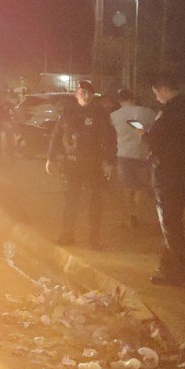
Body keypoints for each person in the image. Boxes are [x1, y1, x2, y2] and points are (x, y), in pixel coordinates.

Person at [143, 75, 185, 286]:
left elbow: (156, 138)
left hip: (168, 176)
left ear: (163, 89)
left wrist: (144, 135)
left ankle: (177, 274)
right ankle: (168, 268)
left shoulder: (170, 112)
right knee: (174, 222)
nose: (157, 98)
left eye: (156, 93)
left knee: (171, 225)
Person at [46, 80, 117, 248]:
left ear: (92, 95)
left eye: (87, 93)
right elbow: (57, 134)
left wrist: (109, 162)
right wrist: (51, 157)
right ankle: (67, 236)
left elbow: (109, 139)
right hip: (72, 164)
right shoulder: (68, 111)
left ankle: (94, 240)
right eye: (81, 92)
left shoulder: (99, 113)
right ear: (76, 94)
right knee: (71, 202)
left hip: (93, 164)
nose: (84, 96)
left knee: (95, 203)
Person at [110, 89, 156, 230]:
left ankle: (128, 217)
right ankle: (136, 214)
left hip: (123, 155)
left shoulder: (114, 115)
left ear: (119, 100)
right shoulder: (149, 113)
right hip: (143, 154)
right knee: (140, 187)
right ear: (134, 99)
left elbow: (110, 137)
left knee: (126, 188)